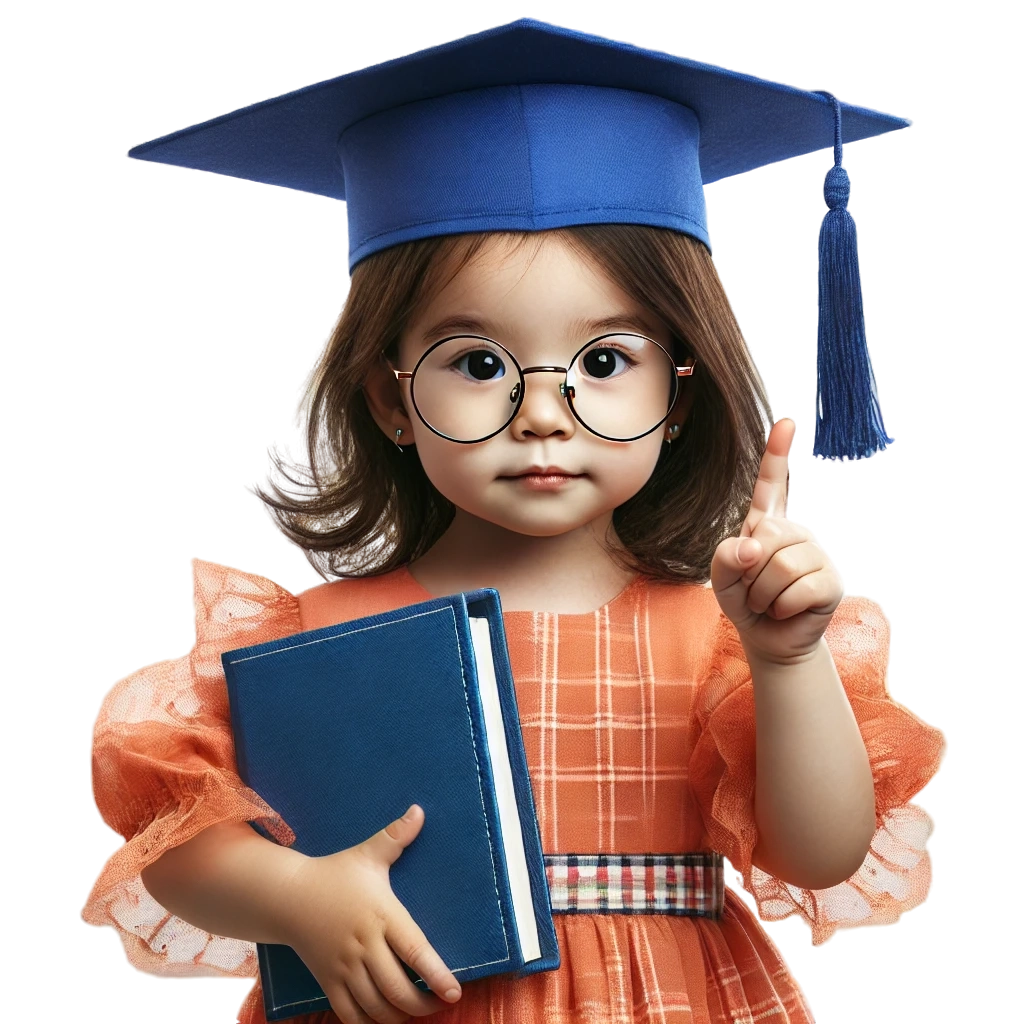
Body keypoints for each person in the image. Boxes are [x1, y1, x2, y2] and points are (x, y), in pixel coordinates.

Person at [79, 18, 945, 1024]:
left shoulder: (725, 634)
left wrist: (786, 663)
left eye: (605, 362)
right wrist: (295, 894)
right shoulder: (320, 635)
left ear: (681, 386)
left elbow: (819, 848)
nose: (541, 411)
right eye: (478, 363)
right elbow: (175, 828)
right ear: (393, 398)